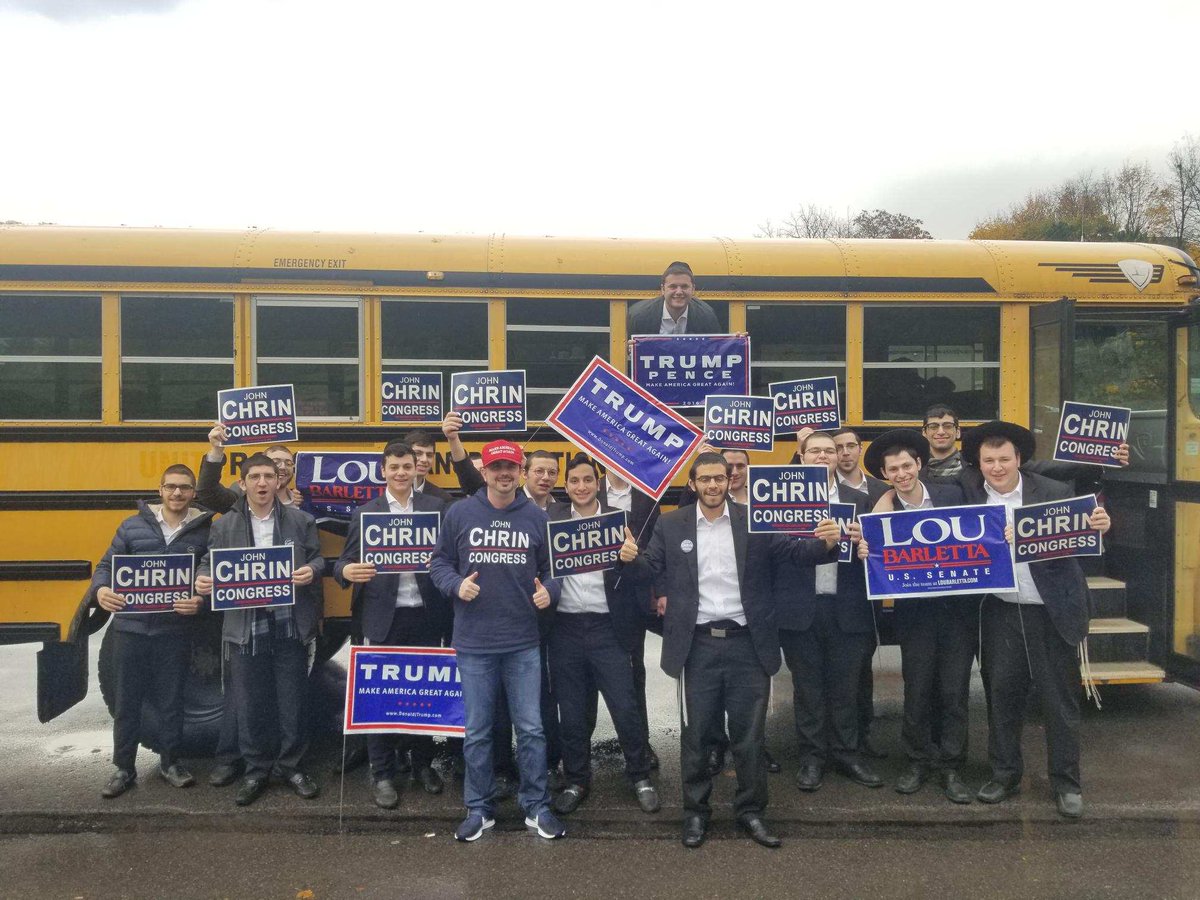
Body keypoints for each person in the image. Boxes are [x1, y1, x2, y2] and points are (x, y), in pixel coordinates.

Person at [623, 452, 841, 849]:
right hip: (697, 646)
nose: (713, 485)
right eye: (704, 479)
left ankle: (752, 812)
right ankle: (695, 814)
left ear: (729, 480)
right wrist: (629, 559)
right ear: (692, 484)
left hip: (748, 644)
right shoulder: (672, 525)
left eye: (719, 478)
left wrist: (825, 544)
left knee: (749, 738)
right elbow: (649, 567)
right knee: (697, 736)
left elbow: (794, 553)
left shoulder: (753, 519)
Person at [957, 421, 1111, 818]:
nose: (996, 467)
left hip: (1051, 610)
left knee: (1059, 703)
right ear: (978, 462)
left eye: (1003, 459)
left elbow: (1082, 533)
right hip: (1000, 610)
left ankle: (1066, 784)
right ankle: (1005, 774)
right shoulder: (967, 492)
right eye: (988, 460)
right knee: (1002, 699)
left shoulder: (1055, 492)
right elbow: (912, 493)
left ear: (1019, 459)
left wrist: (1099, 526)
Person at [429, 439, 566, 842]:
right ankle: (479, 808)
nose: (504, 474)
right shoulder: (460, 512)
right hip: (474, 642)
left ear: (520, 471)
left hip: (523, 640)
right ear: (484, 472)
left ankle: (536, 806)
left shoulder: (537, 517)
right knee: (478, 731)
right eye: (496, 468)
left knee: (532, 729)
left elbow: (557, 568)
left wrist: (550, 593)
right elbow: (438, 562)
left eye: (511, 467)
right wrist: (455, 586)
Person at [195, 453, 325, 807]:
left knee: (292, 699)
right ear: (243, 483)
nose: (263, 483)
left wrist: (311, 571)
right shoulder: (224, 525)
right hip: (245, 624)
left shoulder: (301, 520)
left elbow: (318, 558)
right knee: (251, 702)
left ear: (279, 480)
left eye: (269, 475)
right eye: (255, 477)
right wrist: (202, 579)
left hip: (288, 622)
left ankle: (292, 767)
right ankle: (256, 769)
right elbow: (210, 561)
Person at [859, 430, 976, 804]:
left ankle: (951, 766)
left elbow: (982, 530)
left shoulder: (952, 495)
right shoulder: (882, 510)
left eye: (907, 465)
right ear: (885, 473)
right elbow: (874, 555)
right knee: (918, 688)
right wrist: (868, 547)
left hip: (958, 612)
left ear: (919, 465)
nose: (902, 473)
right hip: (915, 615)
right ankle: (918, 761)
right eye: (893, 469)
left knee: (955, 692)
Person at [334, 441, 449, 808]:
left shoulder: (436, 508)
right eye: (394, 467)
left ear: (417, 469)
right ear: (382, 470)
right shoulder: (365, 513)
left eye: (407, 466)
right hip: (383, 618)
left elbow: (450, 557)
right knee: (378, 699)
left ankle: (422, 764)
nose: (401, 473)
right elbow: (343, 562)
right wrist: (347, 571)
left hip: (427, 616)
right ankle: (382, 773)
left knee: (424, 699)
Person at [91, 464, 213, 798]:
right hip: (131, 630)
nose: (177, 493)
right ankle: (123, 768)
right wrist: (101, 591)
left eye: (185, 488)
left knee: (172, 700)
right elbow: (105, 567)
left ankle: (170, 763)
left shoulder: (204, 532)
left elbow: (211, 576)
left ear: (193, 493)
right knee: (127, 702)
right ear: (159, 490)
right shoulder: (131, 527)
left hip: (174, 631)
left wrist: (200, 600)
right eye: (171, 487)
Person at [548, 454, 660, 816]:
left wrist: (633, 558)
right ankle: (577, 780)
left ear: (598, 483)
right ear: (566, 487)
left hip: (609, 628)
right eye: (574, 481)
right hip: (564, 629)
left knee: (625, 707)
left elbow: (645, 575)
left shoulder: (621, 520)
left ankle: (640, 776)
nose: (581, 487)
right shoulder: (551, 521)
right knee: (573, 712)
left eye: (587, 480)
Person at [777, 431, 882, 793]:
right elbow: (775, 551)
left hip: (848, 607)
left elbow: (882, 554)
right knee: (808, 689)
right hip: (800, 609)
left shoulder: (863, 500)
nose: (823, 456)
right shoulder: (782, 498)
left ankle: (847, 754)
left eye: (830, 451)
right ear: (802, 457)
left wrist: (865, 545)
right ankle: (811, 758)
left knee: (846, 688)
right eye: (815, 451)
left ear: (839, 457)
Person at [829, 427, 889, 760]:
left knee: (860, 670)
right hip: (827, 593)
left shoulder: (882, 491)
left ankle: (862, 736)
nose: (846, 452)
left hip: (864, 595)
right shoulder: (820, 490)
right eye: (839, 447)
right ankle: (833, 740)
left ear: (860, 448)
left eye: (852, 445)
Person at [627, 261, 721, 336]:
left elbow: (717, 351)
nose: (679, 292)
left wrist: (734, 342)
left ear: (693, 289)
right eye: (673, 287)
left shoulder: (707, 316)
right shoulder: (640, 317)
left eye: (684, 286)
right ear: (663, 289)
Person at [401, 430, 454, 502]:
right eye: (418, 453)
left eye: (429, 455)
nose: (424, 460)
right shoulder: (386, 493)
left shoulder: (442, 498)